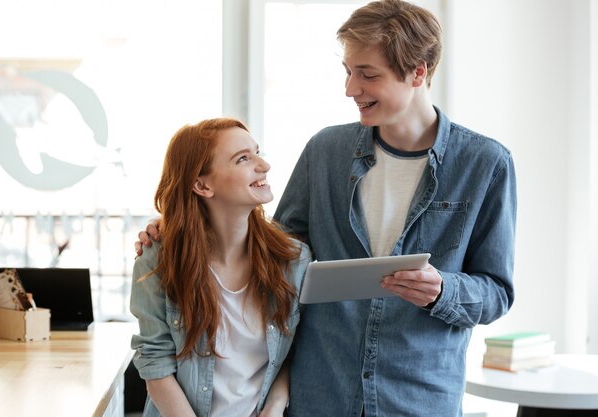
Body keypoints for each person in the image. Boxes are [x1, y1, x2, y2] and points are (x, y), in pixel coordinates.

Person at [136, 1, 517, 415]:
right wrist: (183, 223)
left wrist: (444, 290)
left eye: (368, 74)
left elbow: (496, 292)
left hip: (416, 398)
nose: (351, 89)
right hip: (322, 394)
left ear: (418, 72)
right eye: (349, 71)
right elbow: (271, 251)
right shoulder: (325, 152)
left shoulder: (485, 164)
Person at [130, 118, 311, 417]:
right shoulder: (158, 259)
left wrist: (274, 407)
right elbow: (154, 362)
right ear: (202, 185)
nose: (263, 165)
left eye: (257, 152)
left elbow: (300, 351)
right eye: (243, 158)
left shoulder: (293, 260)